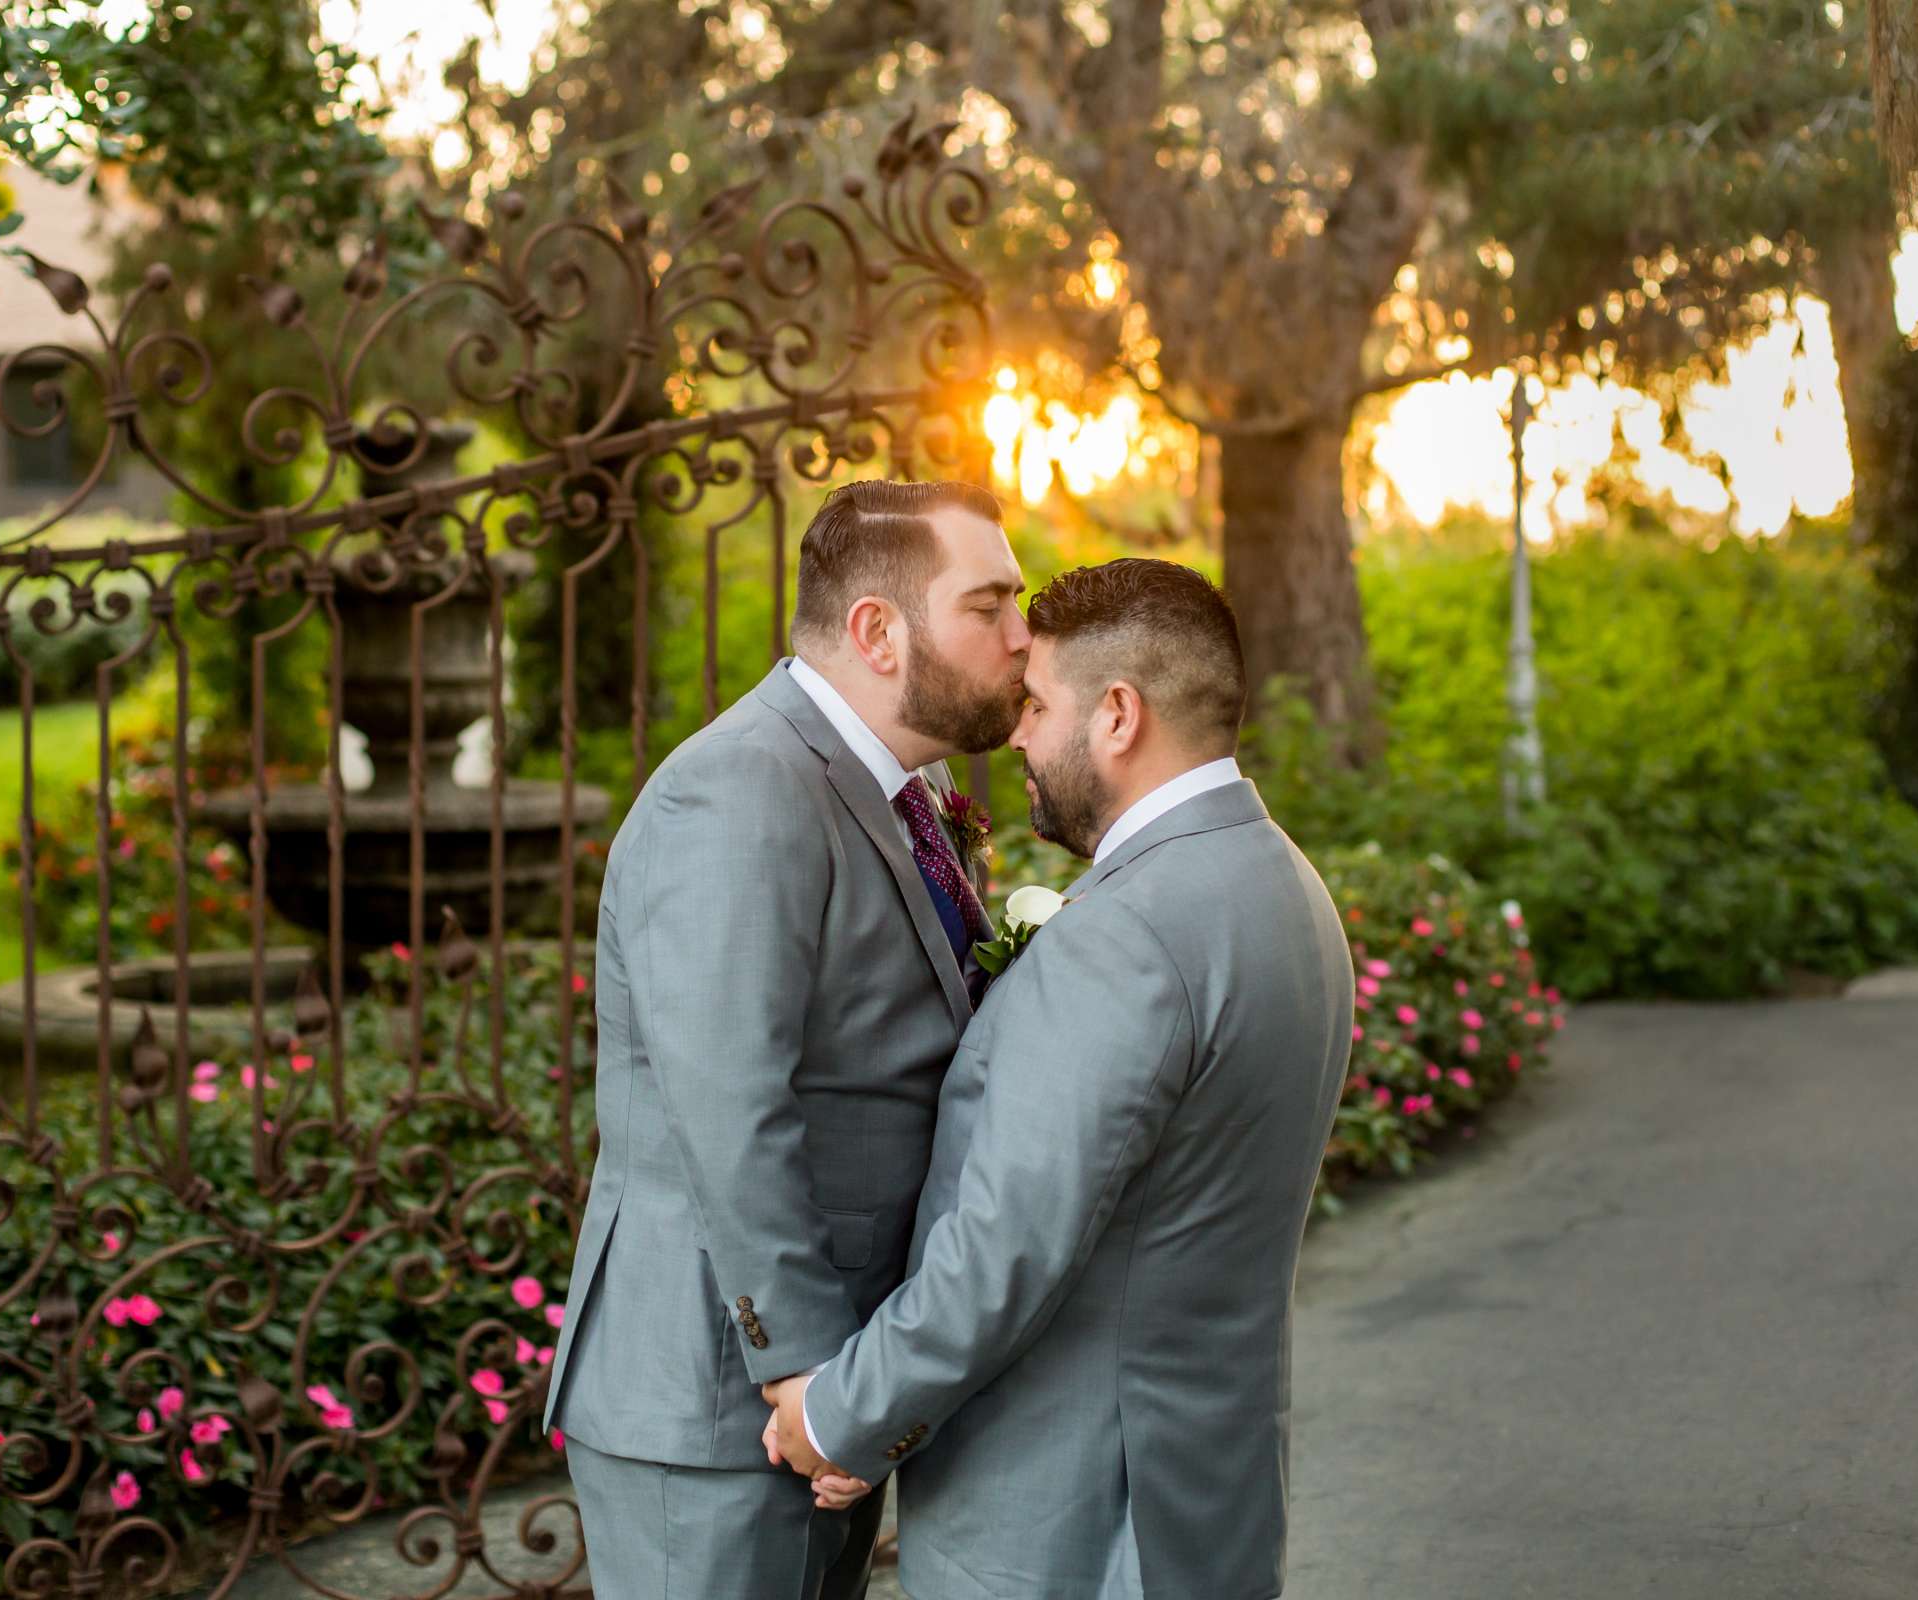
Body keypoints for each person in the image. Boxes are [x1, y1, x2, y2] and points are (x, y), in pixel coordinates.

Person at [764, 557, 1356, 1600]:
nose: (1019, 734)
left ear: (1117, 715)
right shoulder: (1287, 890)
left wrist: (841, 1411)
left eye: (1038, 704)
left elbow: (1008, 1246)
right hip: (1207, 1493)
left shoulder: (1125, 935)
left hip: (1071, 1523)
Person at [544, 479, 1029, 1599]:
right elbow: (732, 1108)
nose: (1022, 636)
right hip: (726, 1401)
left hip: (830, 1390)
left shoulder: (918, 785)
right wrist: (810, 1378)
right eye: (990, 605)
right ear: (877, 630)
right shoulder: (735, 791)